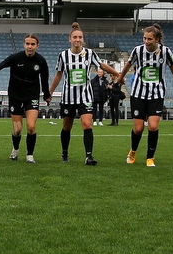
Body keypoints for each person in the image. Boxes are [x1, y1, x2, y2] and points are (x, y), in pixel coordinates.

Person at [48, 22, 120, 165]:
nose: (77, 40)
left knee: (87, 124)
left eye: (80, 37)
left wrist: (117, 73)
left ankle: (89, 156)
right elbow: (58, 75)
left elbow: (102, 65)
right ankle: (64, 152)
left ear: (83, 39)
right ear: (70, 39)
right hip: (68, 97)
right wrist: (50, 92)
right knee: (67, 126)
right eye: (75, 37)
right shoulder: (63, 55)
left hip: (85, 96)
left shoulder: (90, 54)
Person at [116, 24, 173, 167]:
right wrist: (120, 78)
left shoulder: (165, 52)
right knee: (138, 128)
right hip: (138, 94)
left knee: (153, 126)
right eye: (145, 38)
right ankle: (133, 151)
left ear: (157, 40)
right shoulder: (138, 50)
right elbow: (128, 65)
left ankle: (150, 157)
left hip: (157, 94)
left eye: (150, 39)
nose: (146, 42)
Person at [0, 33, 51, 164]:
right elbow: (0, 66)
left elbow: (45, 80)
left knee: (31, 126)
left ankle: (30, 155)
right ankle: (16, 149)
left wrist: (47, 95)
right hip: (16, 95)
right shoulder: (15, 58)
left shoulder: (41, 61)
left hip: (32, 95)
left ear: (37, 46)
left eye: (32, 44)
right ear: (24, 44)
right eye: (27, 44)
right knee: (17, 129)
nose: (30, 47)